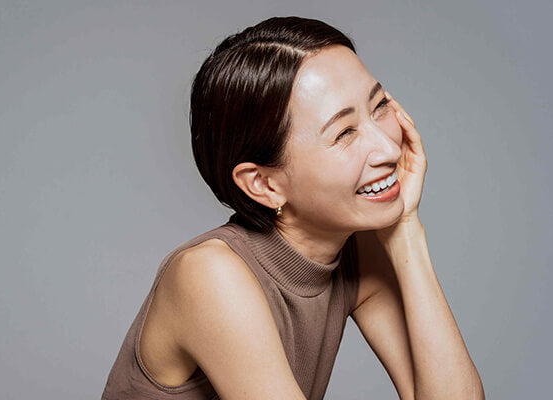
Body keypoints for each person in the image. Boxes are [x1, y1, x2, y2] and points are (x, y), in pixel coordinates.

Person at [102, 16, 484, 400]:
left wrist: (406, 232)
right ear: (265, 184)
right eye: (344, 132)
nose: (388, 149)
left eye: (380, 105)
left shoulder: (354, 250)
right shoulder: (209, 275)